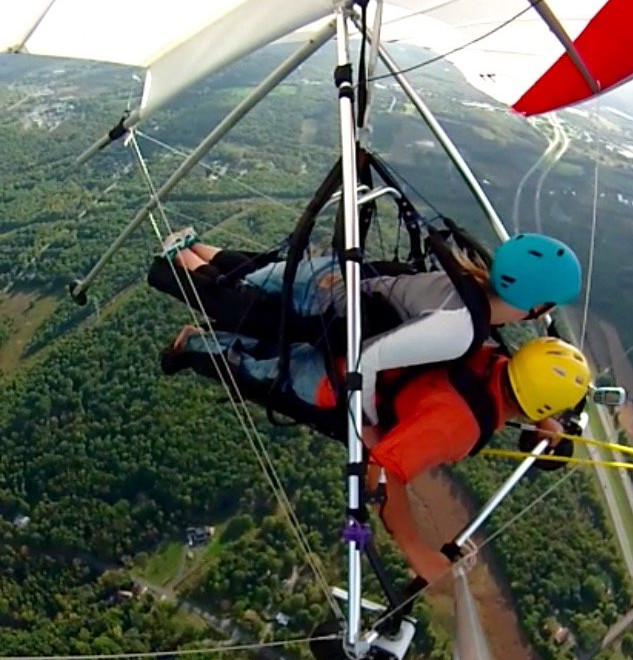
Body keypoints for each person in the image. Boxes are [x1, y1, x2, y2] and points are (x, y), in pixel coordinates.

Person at [160, 325, 592, 583]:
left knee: (274, 347)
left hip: (363, 353)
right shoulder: (457, 426)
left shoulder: (493, 356)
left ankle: (216, 333)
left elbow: (511, 388)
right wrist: (417, 552)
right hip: (335, 383)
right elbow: (382, 472)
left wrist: (542, 421)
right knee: (255, 368)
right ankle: (192, 345)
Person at [148, 228, 582, 424]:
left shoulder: (469, 277)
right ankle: (179, 261)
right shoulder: (461, 327)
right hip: (329, 307)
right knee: (243, 304)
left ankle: (193, 249)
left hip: (337, 276)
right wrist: (367, 418)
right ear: (536, 304)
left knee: (260, 273)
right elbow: (370, 358)